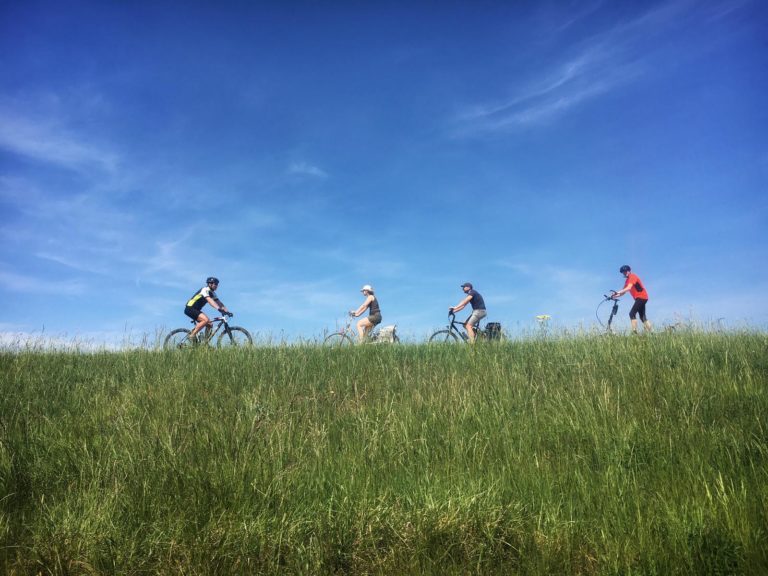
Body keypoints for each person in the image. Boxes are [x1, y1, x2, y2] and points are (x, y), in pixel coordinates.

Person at [184, 277, 231, 342]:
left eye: (217, 284)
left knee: (209, 325)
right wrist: (219, 309)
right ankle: (191, 336)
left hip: (196, 309)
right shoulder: (205, 290)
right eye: (215, 284)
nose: (217, 286)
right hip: (190, 308)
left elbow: (220, 303)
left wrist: (227, 312)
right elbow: (210, 300)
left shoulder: (212, 293)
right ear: (210, 284)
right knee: (206, 320)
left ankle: (205, 342)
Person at [612, 265, 652, 333]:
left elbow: (628, 288)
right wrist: (614, 296)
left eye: (625, 271)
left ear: (629, 271)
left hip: (641, 297)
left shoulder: (632, 276)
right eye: (623, 272)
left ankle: (634, 332)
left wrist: (617, 292)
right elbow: (623, 292)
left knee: (632, 313)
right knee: (642, 317)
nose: (624, 273)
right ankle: (652, 332)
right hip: (641, 298)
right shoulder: (627, 281)